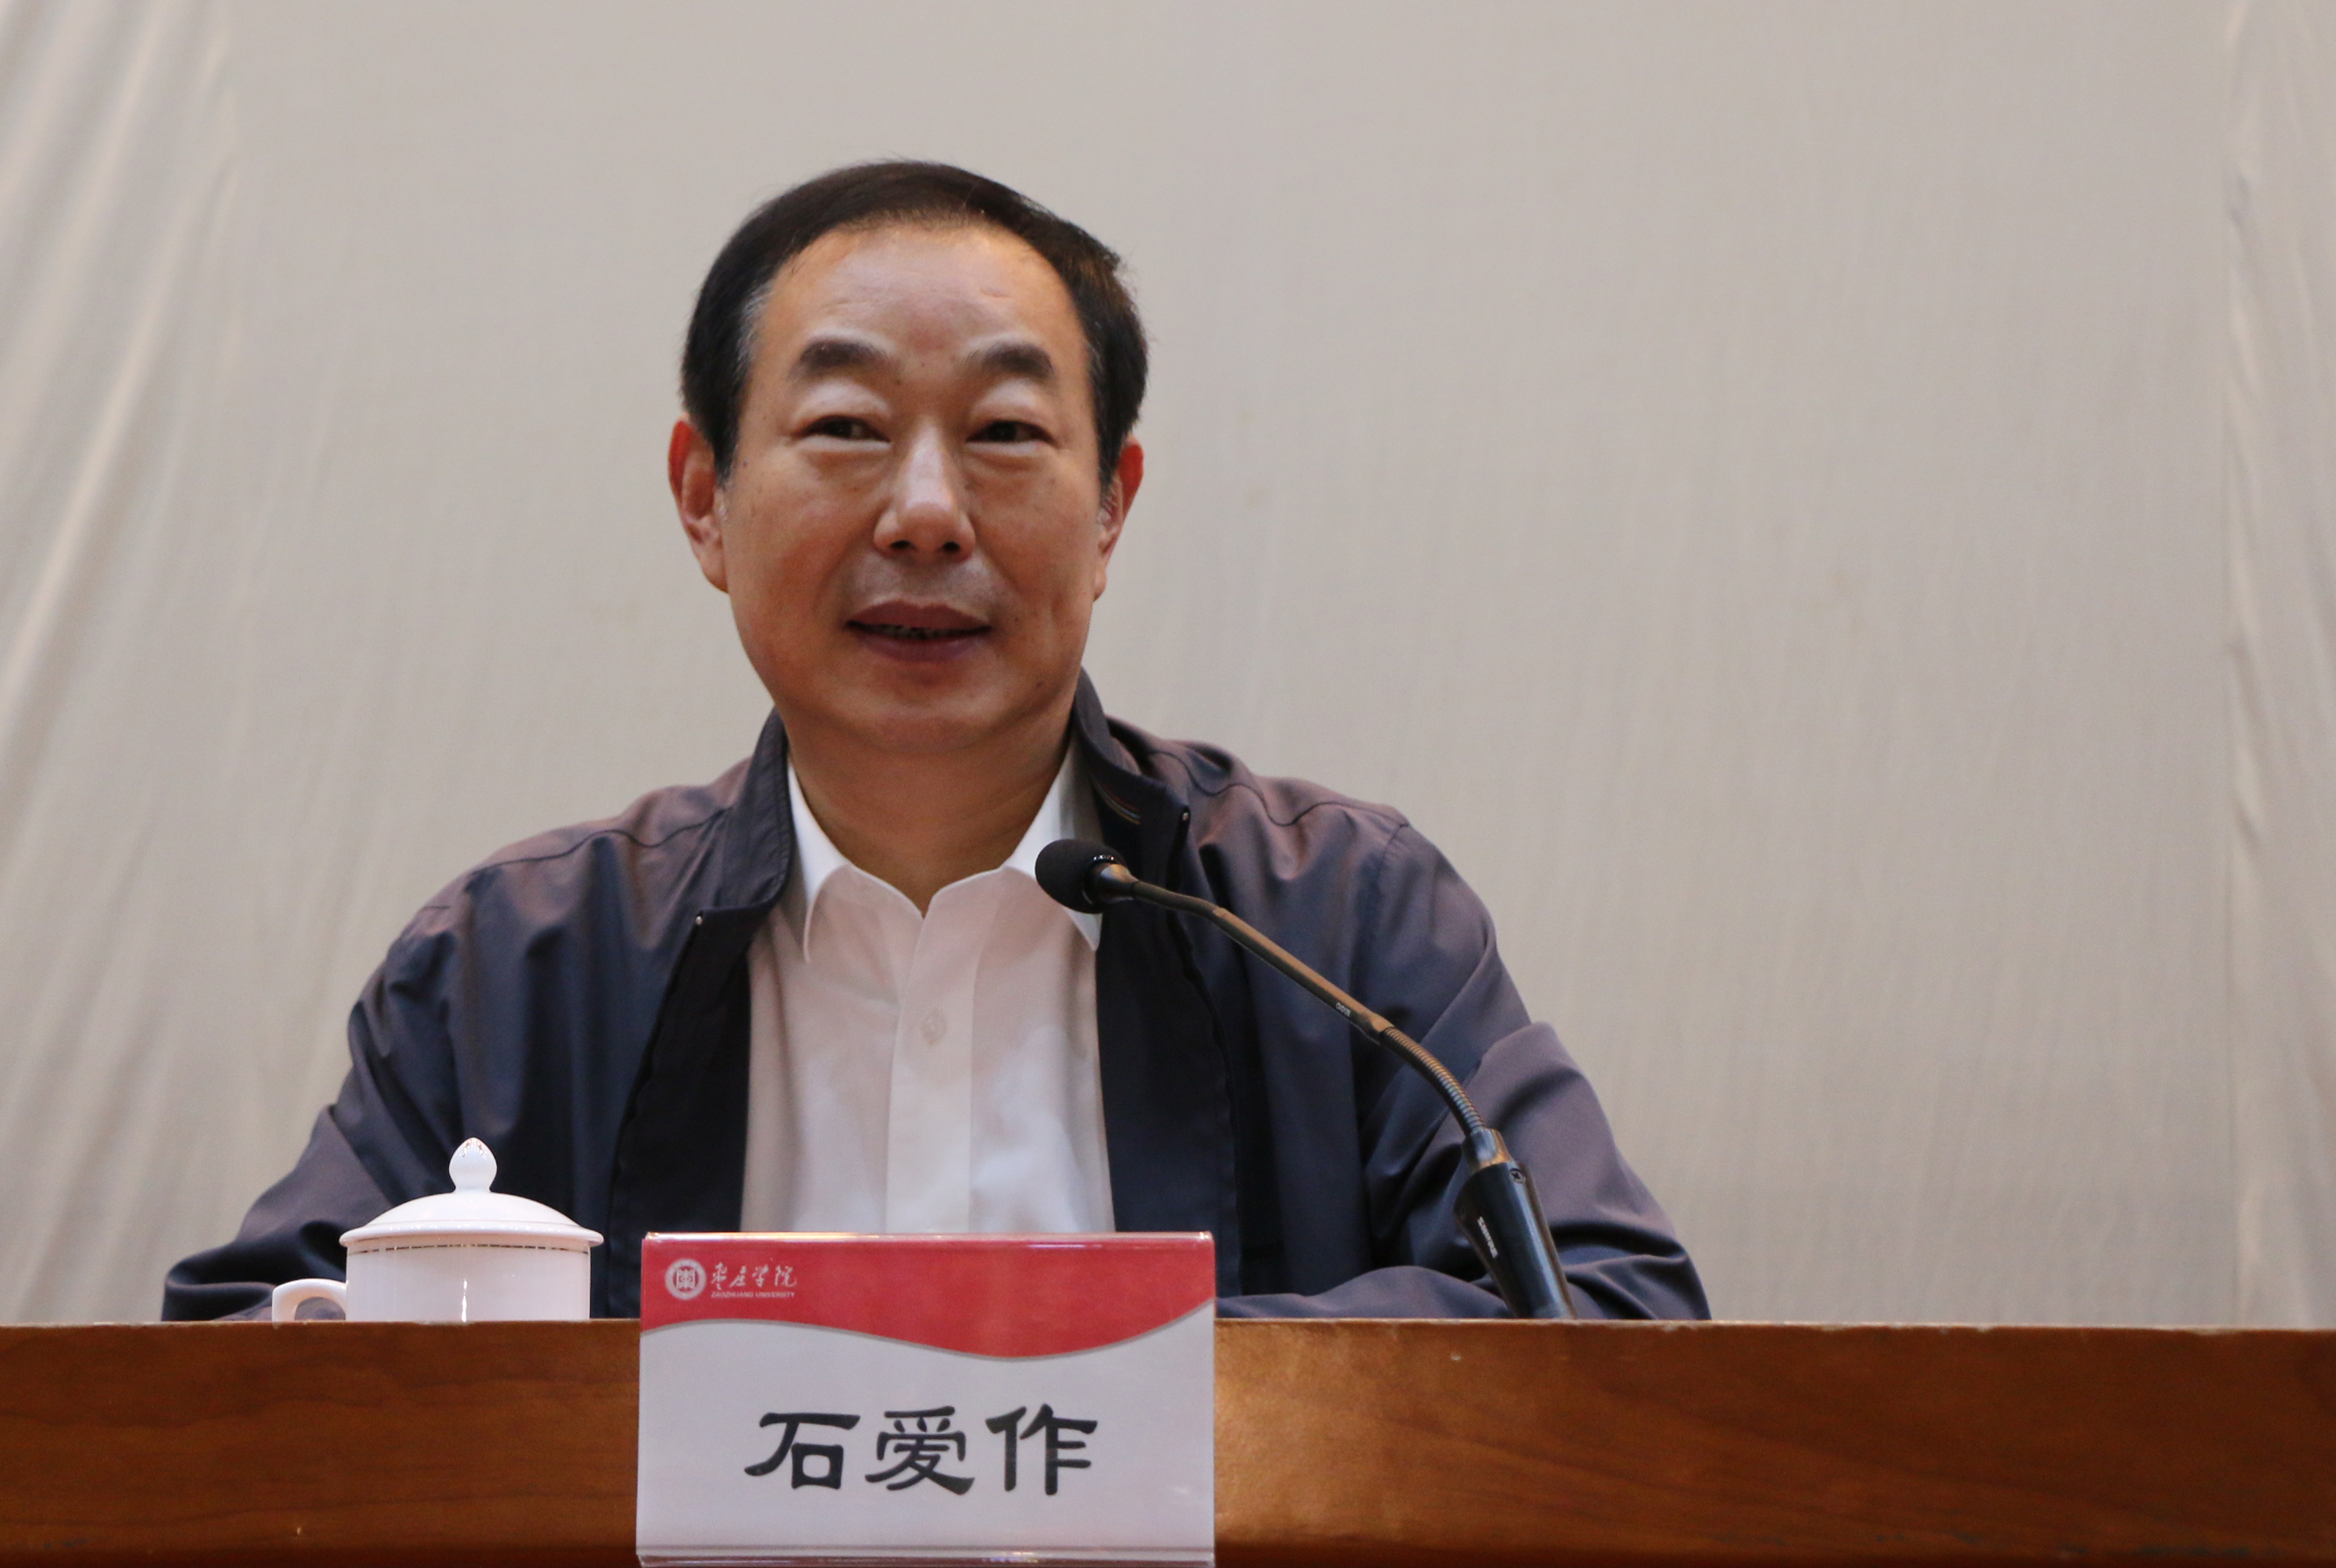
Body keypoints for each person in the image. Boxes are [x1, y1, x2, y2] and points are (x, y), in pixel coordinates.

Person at [165, 161, 1706, 1321]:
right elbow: (239, 1369)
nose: (924, 513)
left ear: (1112, 510)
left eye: (1006, 435)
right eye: (846, 428)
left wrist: (1090, 1379)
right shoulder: (520, 968)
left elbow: (1610, 1311)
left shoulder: (1335, 921)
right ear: (704, 499)